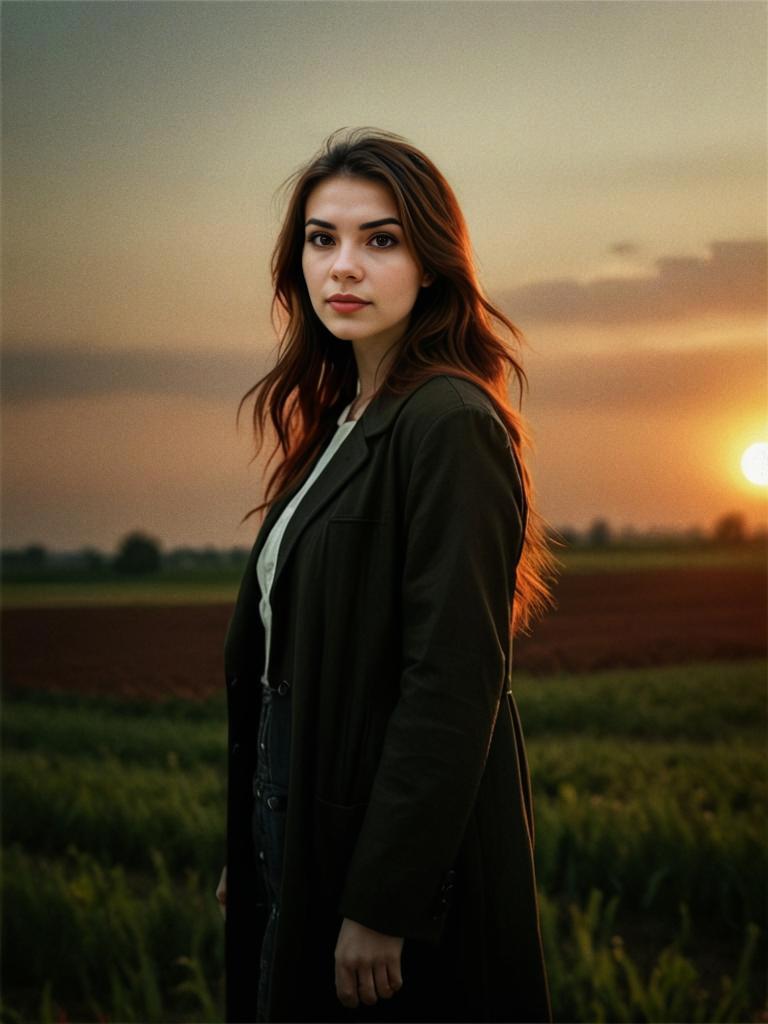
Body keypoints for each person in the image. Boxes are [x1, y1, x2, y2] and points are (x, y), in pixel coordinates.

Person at [216, 126, 559, 1024]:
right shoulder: (339, 424)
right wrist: (258, 847)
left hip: (403, 894)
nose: (345, 268)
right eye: (322, 240)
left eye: (381, 240)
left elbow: (451, 681)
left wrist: (385, 901)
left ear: (433, 264)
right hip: (311, 851)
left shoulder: (448, 419)